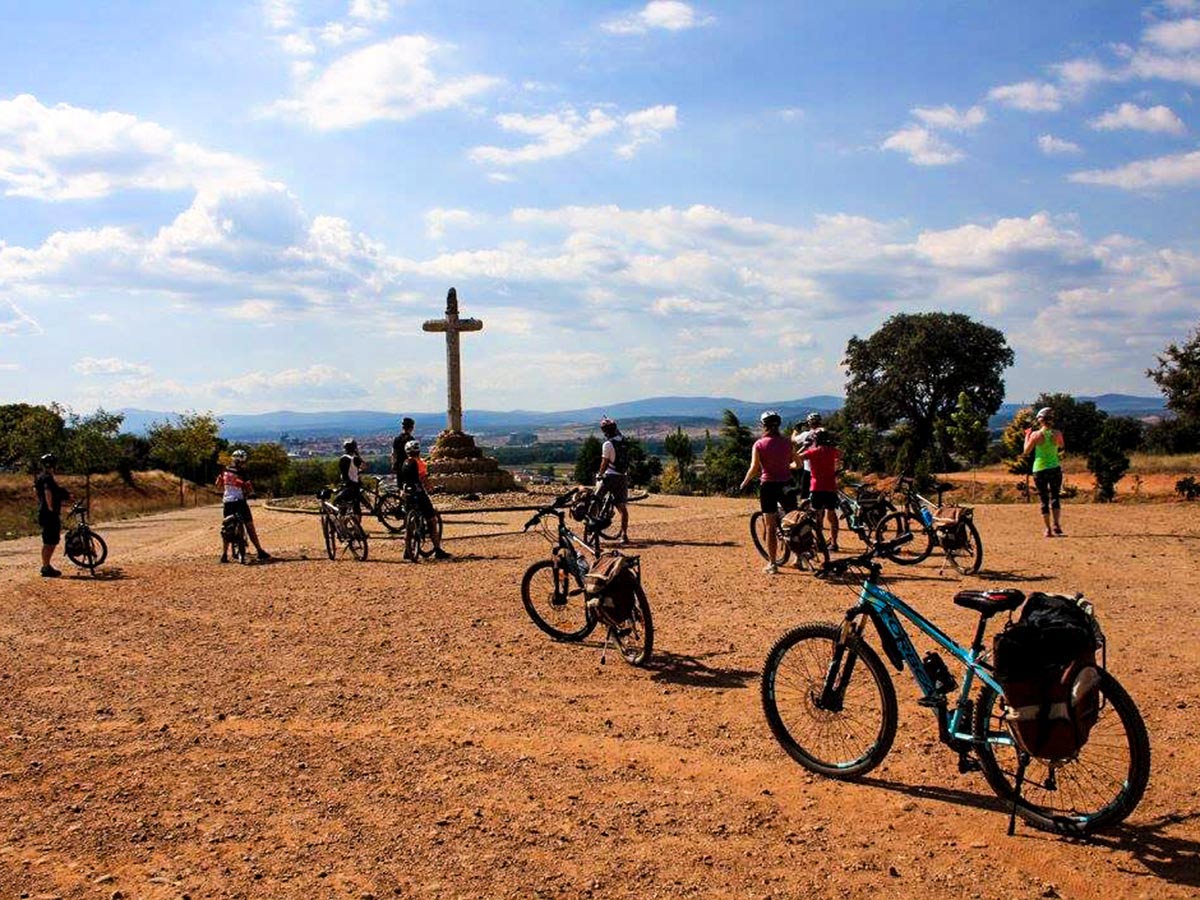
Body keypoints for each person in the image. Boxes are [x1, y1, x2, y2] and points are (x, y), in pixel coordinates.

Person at [740, 411, 801, 574]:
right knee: (793, 521)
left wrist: (745, 482)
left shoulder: (759, 445)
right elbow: (799, 464)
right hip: (787, 484)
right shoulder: (787, 442)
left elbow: (754, 468)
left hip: (768, 486)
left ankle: (773, 563)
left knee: (770, 525)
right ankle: (799, 558)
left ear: (763, 425)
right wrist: (787, 467)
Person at [215, 448, 271, 562]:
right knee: (249, 525)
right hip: (240, 501)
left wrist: (226, 487)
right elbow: (248, 486)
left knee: (227, 527)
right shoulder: (242, 472)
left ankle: (224, 555)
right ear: (243, 461)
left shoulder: (224, 470)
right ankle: (259, 551)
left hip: (227, 502)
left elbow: (218, 484)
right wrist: (252, 493)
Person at [399, 440, 450, 559]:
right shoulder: (419, 463)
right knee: (432, 520)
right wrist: (431, 489)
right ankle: (437, 550)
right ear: (418, 451)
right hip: (418, 493)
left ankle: (407, 551)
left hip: (407, 494)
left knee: (408, 525)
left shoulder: (404, 463)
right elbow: (424, 479)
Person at [1024, 406, 1066, 537]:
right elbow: (1061, 446)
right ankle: (1057, 524)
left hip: (1040, 469)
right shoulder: (1057, 433)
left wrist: (1027, 436)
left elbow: (1026, 451)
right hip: (1054, 468)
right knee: (1055, 497)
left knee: (1043, 498)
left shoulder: (1036, 435)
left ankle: (1048, 529)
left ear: (1040, 420)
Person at [798, 429, 842, 552]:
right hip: (831, 487)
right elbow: (842, 455)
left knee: (817, 517)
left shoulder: (812, 452)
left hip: (817, 487)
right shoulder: (832, 451)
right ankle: (834, 543)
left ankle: (819, 542)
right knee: (832, 515)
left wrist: (804, 446)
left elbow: (796, 458)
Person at [595, 416, 630, 543]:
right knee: (622, 507)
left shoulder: (607, 444)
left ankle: (592, 527)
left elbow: (604, 462)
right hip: (622, 476)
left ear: (605, 431)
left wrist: (600, 474)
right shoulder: (623, 441)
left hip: (610, 476)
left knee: (595, 499)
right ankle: (624, 534)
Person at [34, 453, 69, 577]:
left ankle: (46, 566)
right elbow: (47, 492)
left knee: (50, 540)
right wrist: (51, 507)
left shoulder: (41, 477)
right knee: (50, 541)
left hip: (44, 513)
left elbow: (37, 494)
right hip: (49, 514)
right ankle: (45, 567)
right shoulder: (48, 478)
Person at [792, 412, 824, 499]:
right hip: (825, 467)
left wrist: (796, 430)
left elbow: (793, 441)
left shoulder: (807, 434)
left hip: (809, 468)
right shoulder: (825, 432)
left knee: (805, 493)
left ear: (809, 423)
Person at [337, 438, 366, 522]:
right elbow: (364, 466)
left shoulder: (342, 458)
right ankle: (357, 529)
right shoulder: (354, 459)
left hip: (344, 484)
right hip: (353, 485)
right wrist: (358, 455)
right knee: (356, 507)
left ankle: (340, 525)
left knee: (344, 507)